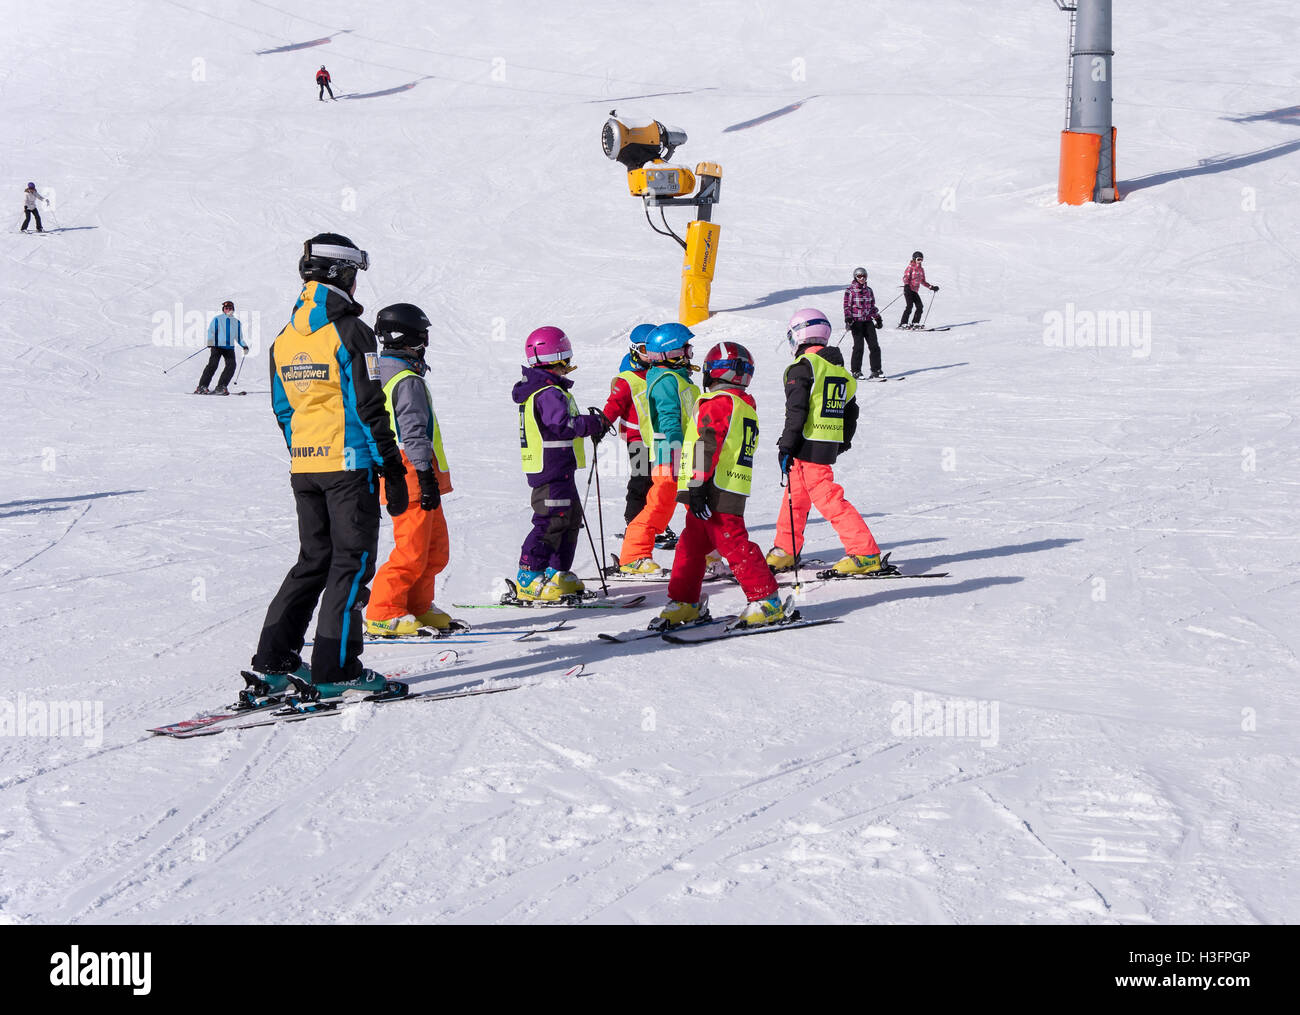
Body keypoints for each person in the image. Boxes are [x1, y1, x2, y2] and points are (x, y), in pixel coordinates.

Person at [246, 232, 410, 702]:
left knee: (312, 561)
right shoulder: (353, 333)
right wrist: (392, 469)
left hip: (306, 468)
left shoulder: (284, 338)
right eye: (353, 275)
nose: (356, 285)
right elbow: (368, 405)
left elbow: (282, 408)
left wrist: (305, 451)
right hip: (349, 467)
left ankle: (274, 663)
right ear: (341, 274)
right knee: (351, 565)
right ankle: (335, 668)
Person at [653, 341, 785, 630]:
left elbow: (707, 443)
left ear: (713, 371)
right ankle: (685, 602)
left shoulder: (719, 403)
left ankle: (767, 600)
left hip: (715, 489)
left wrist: (698, 485)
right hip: (712, 487)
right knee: (690, 546)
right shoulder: (740, 404)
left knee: (733, 543)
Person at [364, 303, 465, 637]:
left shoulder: (383, 372)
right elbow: (412, 432)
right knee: (412, 549)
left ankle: (417, 605)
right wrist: (424, 474)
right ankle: (383, 610)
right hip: (411, 473)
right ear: (412, 337)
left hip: (415, 471)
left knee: (434, 548)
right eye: (423, 335)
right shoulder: (405, 380)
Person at [766, 309, 892, 576]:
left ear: (798, 336)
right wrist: (842, 440)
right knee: (795, 497)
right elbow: (851, 410)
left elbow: (796, 411)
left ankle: (865, 552)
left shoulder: (803, 367)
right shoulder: (838, 371)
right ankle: (786, 549)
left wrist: (786, 445)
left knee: (827, 498)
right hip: (822, 443)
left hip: (807, 442)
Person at [513, 326, 609, 601]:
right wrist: (593, 424)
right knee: (550, 520)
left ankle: (556, 572)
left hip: (560, 468)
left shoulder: (549, 389)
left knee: (568, 519)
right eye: (566, 357)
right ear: (558, 357)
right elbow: (563, 425)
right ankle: (529, 576)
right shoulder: (547, 392)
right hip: (550, 469)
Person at [617, 323, 697, 575]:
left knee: (701, 509)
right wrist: (676, 454)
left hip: (691, 456)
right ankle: (634, 556)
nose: (689, 352)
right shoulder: (665, 381)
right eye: (685, 348)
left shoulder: (679, 378)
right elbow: (669, 420)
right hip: (671, 456)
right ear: (668, 352)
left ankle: (708, 556)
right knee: (658, 507)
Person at [601, 324, 654, 532]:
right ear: (634, 350)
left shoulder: (660, 374)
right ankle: (634, 520)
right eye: (644, 351)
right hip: (637, 440)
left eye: (653, 350)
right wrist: (602, 424)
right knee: (641, 480)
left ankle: (652, 522)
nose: (650, 356)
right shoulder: (628, 379)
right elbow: (613, 406)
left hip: (659, 439)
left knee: (659, 483)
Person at [195, 299, 248, 395]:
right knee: (213, 365)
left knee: (231, 366)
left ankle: (221, 386)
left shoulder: (236, 322)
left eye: (230, 308)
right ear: (223, 309)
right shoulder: (218, 319)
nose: (228, 310)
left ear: (233, 309)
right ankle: (202, 386)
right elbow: (211, 331)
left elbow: (239, 337)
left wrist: (244, 346)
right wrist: (210, 342)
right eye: (226, 308)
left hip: (229, 348)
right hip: (217, 346)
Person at [843, 267, 884, 380]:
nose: (861, 278)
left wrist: (878, 318)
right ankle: (856, 371)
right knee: (858, 347)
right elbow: (847, 306)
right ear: (855, 277)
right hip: (856, 322)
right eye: (859, 276)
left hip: (868, 321)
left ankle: (876, 370)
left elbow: (871, 307)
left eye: (863, 276)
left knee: (874, 346)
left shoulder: (869, 290)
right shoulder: (850, 291)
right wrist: (848, 318)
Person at [899, 251, 939, 329]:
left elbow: (923, 281)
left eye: (921, 259)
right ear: (914, 259)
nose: (920, 261)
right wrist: (906, 285)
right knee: (909, 306)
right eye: (918, 259)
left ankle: (915, 323)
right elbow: (905, 277)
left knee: (920, 306)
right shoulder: (910, 268)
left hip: (914, 291)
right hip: (908, 290)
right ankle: (903, 323)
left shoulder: (921, 270)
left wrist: (931, 287)